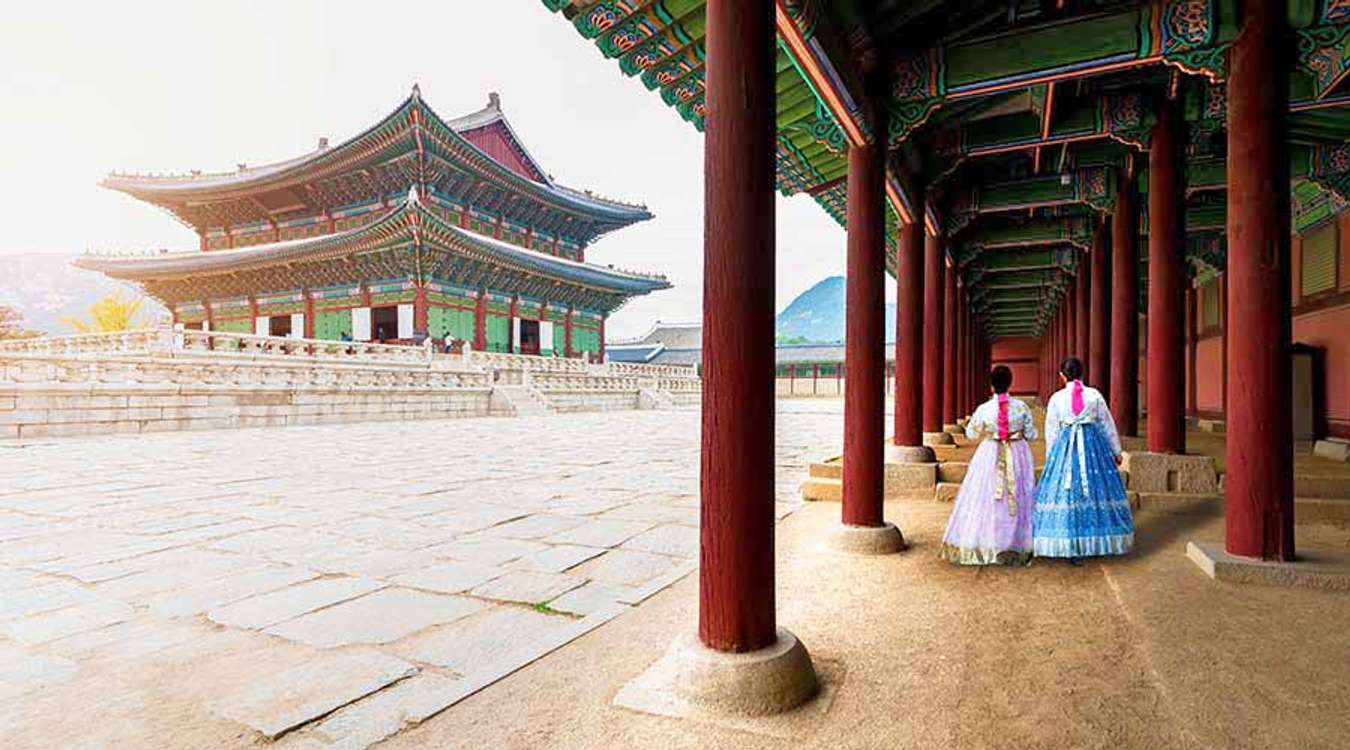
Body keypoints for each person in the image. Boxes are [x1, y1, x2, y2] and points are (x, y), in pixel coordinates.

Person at [1032, 357, 1134, 564]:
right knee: (1095, 489)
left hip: (1065, 446)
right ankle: (1095, 538)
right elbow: (1106, 424)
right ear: (1082, 374)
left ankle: (1069, 540)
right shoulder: (1094, 395)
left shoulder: (1057, 398)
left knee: (1068, 491)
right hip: (1093, 447)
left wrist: (1052, 457)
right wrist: (1116, 451)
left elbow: (1051, 430)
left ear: (1062, 377)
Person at [938, 365, 1037, 566]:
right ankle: (1017, 542)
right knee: (1017, 494)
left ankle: (989, 541)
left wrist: (989, 429)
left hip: (990, 452)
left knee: (987, 494)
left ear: (991, 385)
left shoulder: (984, 409)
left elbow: (971, 434)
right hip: (1017, 452)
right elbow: (1032, 434)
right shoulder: (1021, 407)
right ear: (1010, 383)